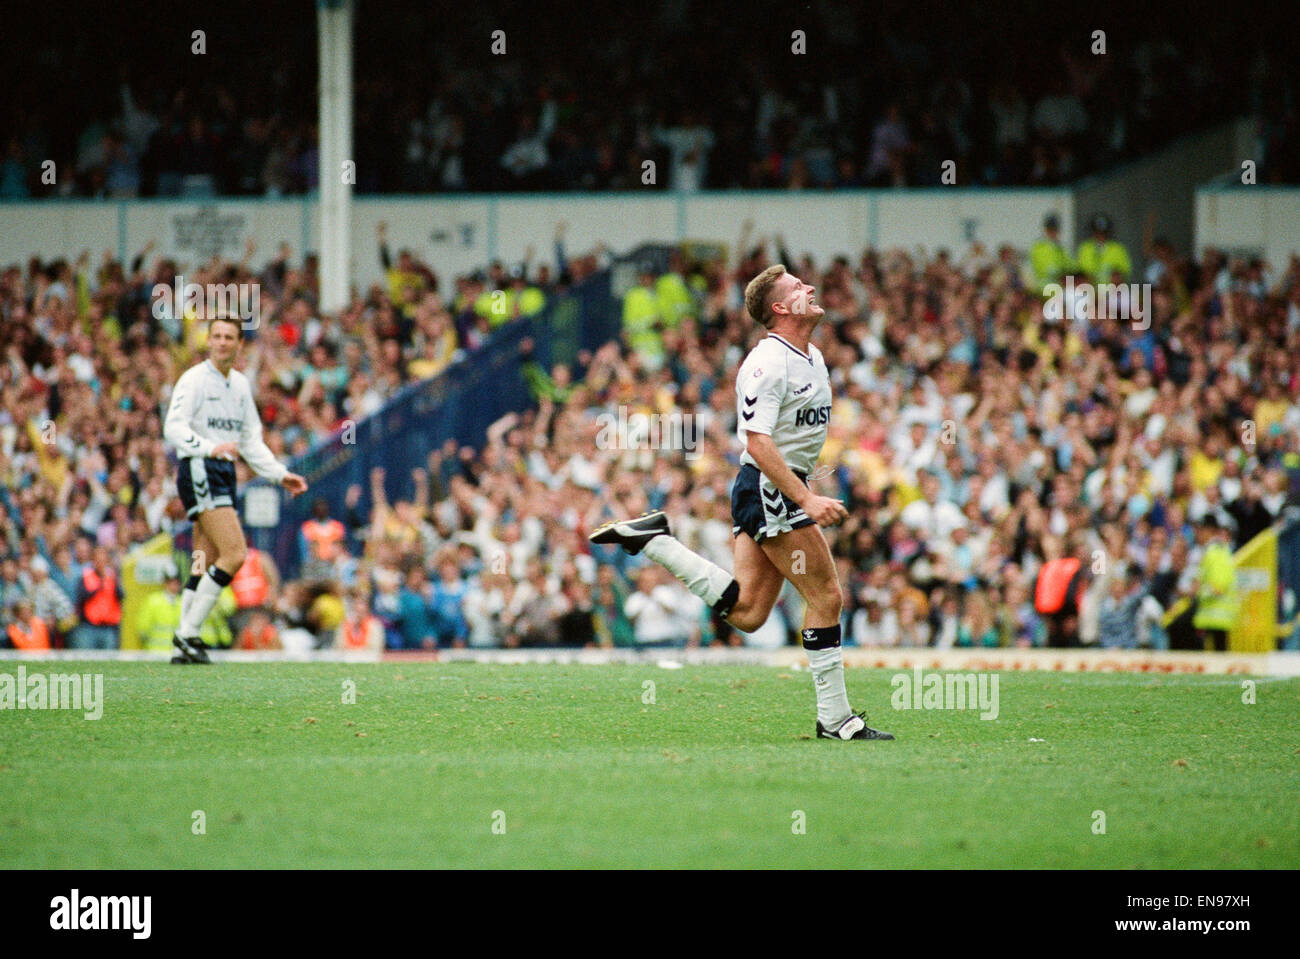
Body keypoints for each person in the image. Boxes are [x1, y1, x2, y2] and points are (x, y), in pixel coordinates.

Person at [591, 264, 893, 741]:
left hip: (769, 488)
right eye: (797, 287)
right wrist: (807, 499)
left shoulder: (811, 354)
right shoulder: (766, 362)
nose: (809, 288)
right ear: (779, 307)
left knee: (749, 613)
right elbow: (757, 442)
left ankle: (657, 543)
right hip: (771, 488)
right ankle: (836, 720)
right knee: (827, 596)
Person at [163, 315, 307, 663]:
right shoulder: (194, 379)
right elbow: (173, 427)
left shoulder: (241, 386)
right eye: (217, 336)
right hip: (200, 467)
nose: (223, 342)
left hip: (224, 472)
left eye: (230, 337)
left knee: (203, 562)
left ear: (240, 344)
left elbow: (250, 442)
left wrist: (278, 474)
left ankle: (185, 643)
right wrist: (208, 447)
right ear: (208, 341)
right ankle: (187, 633)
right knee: (235, 553)